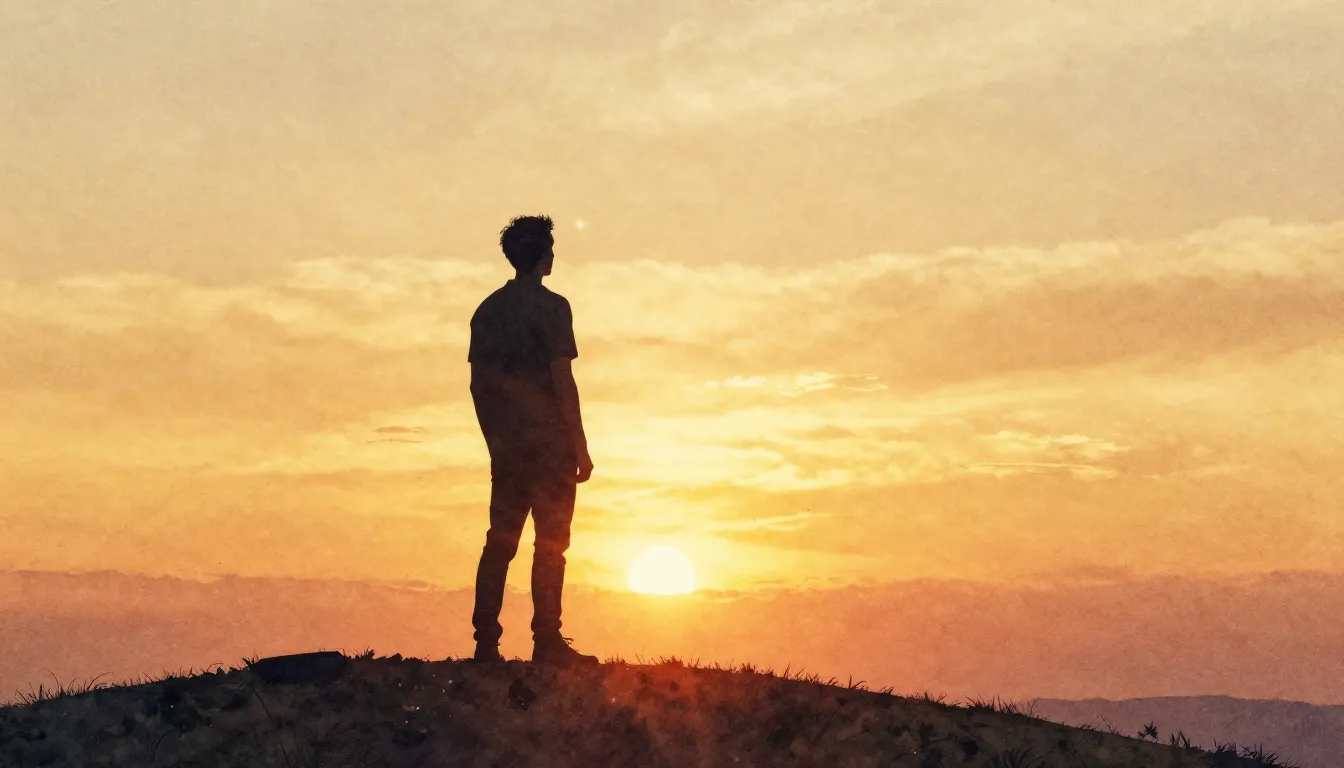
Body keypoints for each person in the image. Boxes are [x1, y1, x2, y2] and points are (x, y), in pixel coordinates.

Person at [467, 214, 598, 666]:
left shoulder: (488, 310)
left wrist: (495, 441)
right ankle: (547, 640)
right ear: (543, 255)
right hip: (550, 446)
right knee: (552, 544)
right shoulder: (553, 308)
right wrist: (580, 446)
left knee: (500, 542)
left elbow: (478, 385)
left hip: (509, 448)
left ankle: (486, 642)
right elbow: (562, 380)